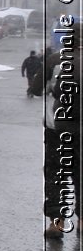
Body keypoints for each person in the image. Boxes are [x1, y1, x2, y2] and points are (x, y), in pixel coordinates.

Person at [44, 24, 79, 239]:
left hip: (58, 128)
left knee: (56, 174)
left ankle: (57, 223)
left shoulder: (56, 59)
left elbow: (40, 87)